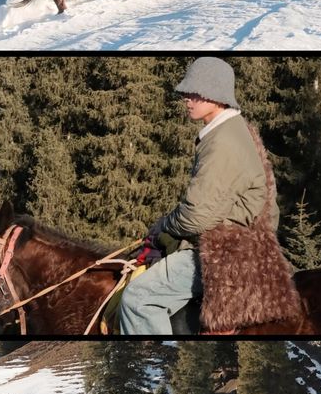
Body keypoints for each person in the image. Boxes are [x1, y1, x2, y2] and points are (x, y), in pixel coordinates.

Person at [119, 56, 299, 336]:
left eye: (195, 93)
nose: (187, 100)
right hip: (248, 245)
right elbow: (268, 208)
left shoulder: (221, 142)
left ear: (216, 95)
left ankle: (156, 361)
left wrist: (163, 226)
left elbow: (196, 216)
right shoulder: (237, 130)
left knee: (138, 299)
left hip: (226, 252)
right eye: (187, 93)